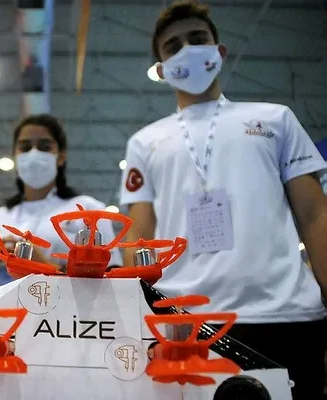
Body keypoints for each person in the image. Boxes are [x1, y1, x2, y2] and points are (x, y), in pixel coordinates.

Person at [118, 1, 327, 399]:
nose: (187, 50)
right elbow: (139, 239)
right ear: (161, 70)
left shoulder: (276, 119)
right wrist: (138, 314)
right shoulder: (145, 142)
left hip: (285, 314)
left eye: (198, 39)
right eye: (173, 46)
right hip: (183, 321)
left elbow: (315, 214)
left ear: (220, 51)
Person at [0, 114, 123, 294]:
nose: (33, 154)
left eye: (44, 147)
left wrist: (43, 265)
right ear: (15, 155)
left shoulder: (89, 210)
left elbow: (111, 281)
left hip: (66, 310)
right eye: (25, 147)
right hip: (4, 310)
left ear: (61, 156)